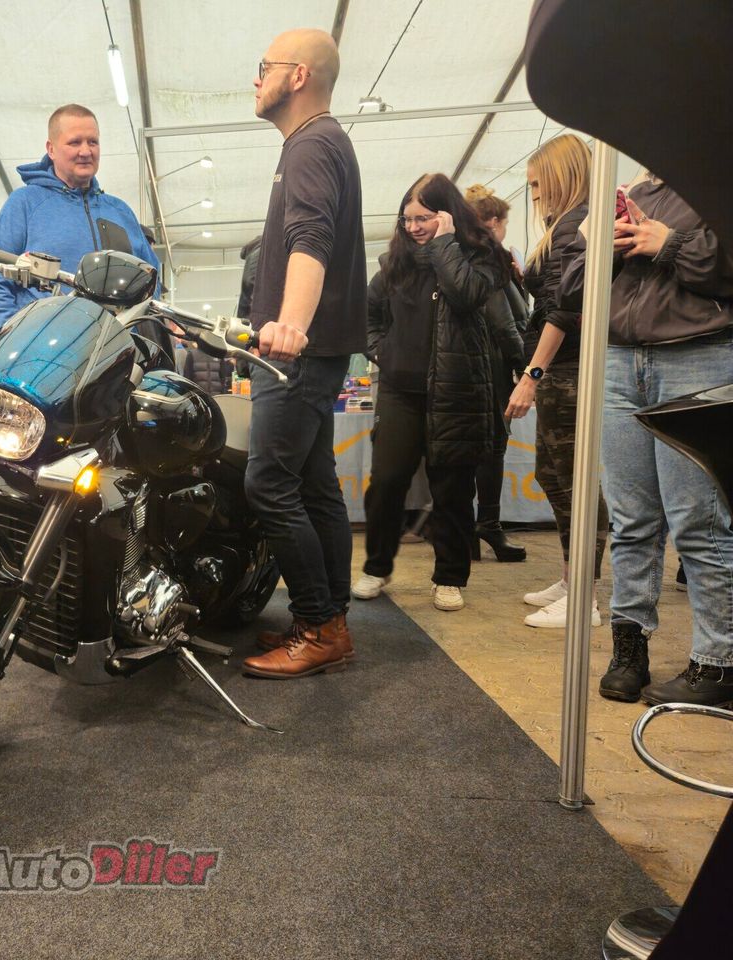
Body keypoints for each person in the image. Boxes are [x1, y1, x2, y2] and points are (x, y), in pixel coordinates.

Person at [561, 175, 733, 705]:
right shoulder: (629, 193)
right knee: (631, 518)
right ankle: (629, 649)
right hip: (619, 360)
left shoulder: (714, 180)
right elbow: (570, 291)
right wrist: (602, 244)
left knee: (699, 522)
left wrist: (669, 244)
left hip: (697, 356)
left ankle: (718, 662)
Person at [236, 29, 366, 680]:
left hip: (299, 353)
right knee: (315, 487)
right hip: (317, 351)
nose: (255, 79)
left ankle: (318, 625)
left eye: (264, 68)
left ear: (297, 76)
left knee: (268, 484)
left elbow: (310, 239)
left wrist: (290, 324)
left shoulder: (312, 143)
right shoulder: (318, 142)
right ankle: (330, 621)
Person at [352, 174, 507, 612]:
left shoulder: (481, 256)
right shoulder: (394, 264)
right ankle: (377, 567)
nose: (413, 227)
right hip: (400, 391)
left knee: (452, 489)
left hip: (456, 391)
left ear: (448, 215)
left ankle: (450, 577)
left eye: (423, 218)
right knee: (386, 482)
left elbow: (466, 294)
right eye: (407, 219)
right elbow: (368, 316)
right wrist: (382, 351)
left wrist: (444, 244)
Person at [505, 134, 608, 629]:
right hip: (561, 369)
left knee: (574, 482)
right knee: (554, 475)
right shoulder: (565, 226)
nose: (534, 194)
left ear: (560, 177)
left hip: (566, 369)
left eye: (537, 184)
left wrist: (532, 374)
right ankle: (573, 580)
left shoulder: (573, 226)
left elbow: (564, 311)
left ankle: (584, 596)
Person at [0, 104, 161, 333]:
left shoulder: (120, 212)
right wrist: (12, 337)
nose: (85, 151)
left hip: (117, 347)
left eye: (92, 142)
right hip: (48, 347)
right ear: (51, 149)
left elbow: (152, 280)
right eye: (74, 142)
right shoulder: (25, 204)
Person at [464, 184, 530, 563]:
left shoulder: (479, 258)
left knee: (485, 448)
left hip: (486, 365)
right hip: (492, 366)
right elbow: (505, 324)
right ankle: (486, 525)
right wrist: (527, 370)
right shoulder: (486, 260)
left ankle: (479, 527)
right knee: (490, 448)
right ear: (493, 223)